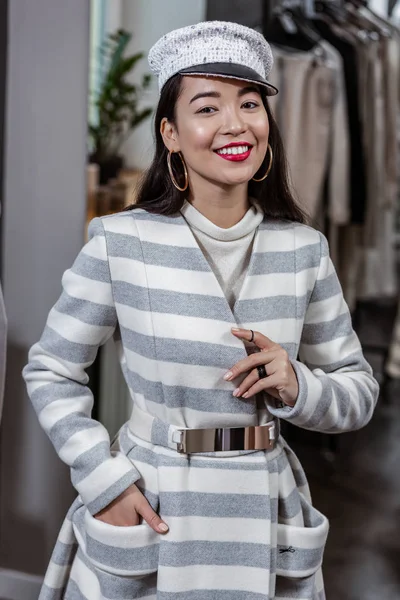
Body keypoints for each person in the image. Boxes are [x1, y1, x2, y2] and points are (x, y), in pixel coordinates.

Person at [22, 20, 379, 600]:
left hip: (265, 515)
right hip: (155, 509)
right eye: (207, 107)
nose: (235, 124)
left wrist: (297, 386)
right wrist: (103, 481)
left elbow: (358, 391)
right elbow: (52, 370)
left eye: (250, 104)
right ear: (170, 132)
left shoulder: (303, 250)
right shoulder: (119, 242)